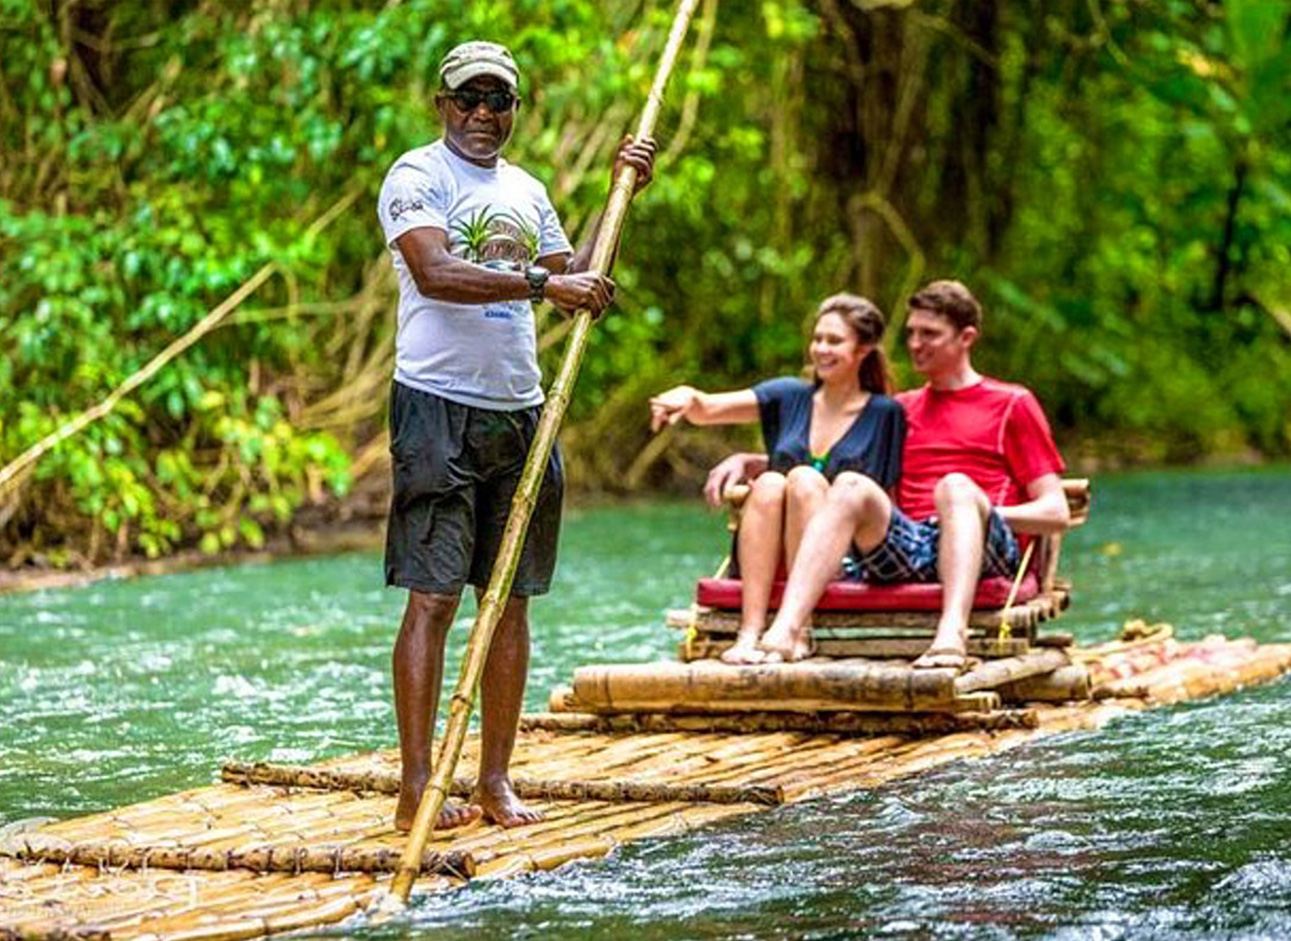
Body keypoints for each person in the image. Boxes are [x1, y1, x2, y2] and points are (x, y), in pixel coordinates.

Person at [377, 40, 656, 831]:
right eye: (469, 98)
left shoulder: (528, 189)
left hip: (522, 411)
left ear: (513, 110)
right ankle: (416, 786)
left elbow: (583, 278)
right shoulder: (416, 176)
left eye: (498, 100)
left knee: (509, 602)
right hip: (437, 407)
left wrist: (617, 190)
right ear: (443, 104)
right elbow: (436, 273)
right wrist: (541, 280)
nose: (482, 114)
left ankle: (494, 780)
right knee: (432, 596)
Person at [723, 280, 1070, 668]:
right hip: (912, 543)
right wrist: (750, 461)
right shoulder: (898, 409)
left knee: (954, 488)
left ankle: (950, 635)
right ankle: (786, 632)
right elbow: (830, 459)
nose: (916, 343)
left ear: (967, 337)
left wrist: (966, 515)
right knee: (851, 485)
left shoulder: (1012, 404)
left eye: (930, 334)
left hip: (986, 541)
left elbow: (1057, 512)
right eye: (911, 333)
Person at [649, 294, 905, 664]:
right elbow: (707, 408)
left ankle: (799, 629)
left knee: (802, 478)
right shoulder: (789, 395)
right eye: (817, 339)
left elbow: (883, 498)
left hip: (839, 555)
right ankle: (750, 631)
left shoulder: (885, 413)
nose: (821, 349)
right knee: (770, 483)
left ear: (863, 349)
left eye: (834, 341)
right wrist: (687, 397)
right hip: (766, 546)